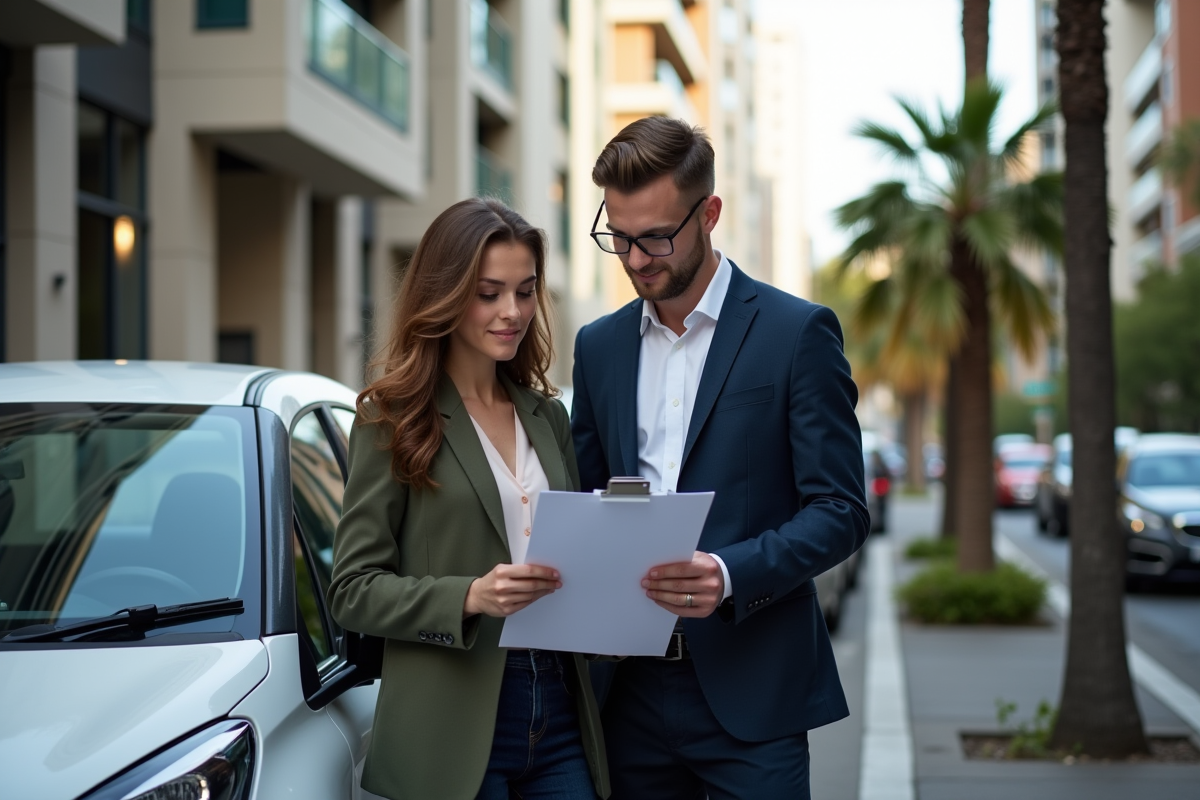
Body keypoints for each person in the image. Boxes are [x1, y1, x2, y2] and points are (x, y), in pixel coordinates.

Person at [571, 116, 868, 800]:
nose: (637, 259)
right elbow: (586, 495)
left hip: (754, 692)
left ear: (709, 214)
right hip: (628, 693)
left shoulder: (798, 334)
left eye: (655, 237)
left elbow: (840, 511)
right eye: (618, 238)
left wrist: (731, 572)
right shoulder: (599, 347)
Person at [328, 198, 609, 800]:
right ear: (447, 293)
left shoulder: (548, 416)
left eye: (526, 291)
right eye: (489, 293)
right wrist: (471, 596)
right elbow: (351, 590)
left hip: (558, 705)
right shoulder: (391, 420)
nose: (513, 312)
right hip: (449, 722)